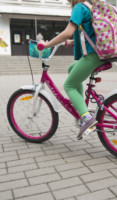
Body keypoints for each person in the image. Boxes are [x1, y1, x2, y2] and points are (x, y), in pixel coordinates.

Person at [38, 0, 105, 140]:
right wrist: (72, 42)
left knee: (69, 85)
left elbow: (68, 32)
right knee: (71, 69)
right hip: (100, 53)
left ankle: (87, 119)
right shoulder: (90, 6)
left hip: (92, 56)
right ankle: (81, 109)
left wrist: (46, 45)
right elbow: (92, 34)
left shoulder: (79, 7)